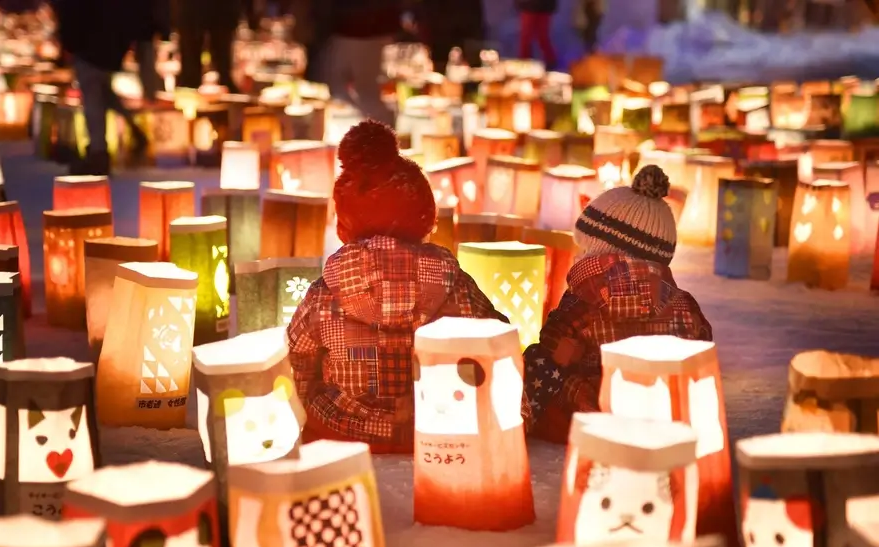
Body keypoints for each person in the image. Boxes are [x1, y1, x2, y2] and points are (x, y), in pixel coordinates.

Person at [287, 120, 511, 454]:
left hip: (343, 431)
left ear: (346, 224)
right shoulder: (455, 285)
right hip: (435, 428)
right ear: (424, 217)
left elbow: (297, 354)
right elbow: (496, 337)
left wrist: (303, 404)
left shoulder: (326, 293)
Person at [523, 165, 713, 443]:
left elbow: (555, 346)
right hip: (664, 415)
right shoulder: (683, 304)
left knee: (537, 361)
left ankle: (520, 424)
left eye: (585, 246)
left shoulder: (584, 299)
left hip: (596, 415)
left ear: (601, 247)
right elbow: (702, 351)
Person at [54, 0, 151, 175]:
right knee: (103, 93)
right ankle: (134, 129)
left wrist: (67, 43)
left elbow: (72, 12)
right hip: (108, 45)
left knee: (93, 100)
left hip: (89, 46)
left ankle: (99, 154)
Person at [316, 0, 400, 125]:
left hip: (364, 28)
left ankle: (381, 138)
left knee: (367, 96)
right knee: (340, 96)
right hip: (346, 27)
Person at [175, 0, 251, 92]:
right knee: (191, 74)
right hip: (198, 12)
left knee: (222, 70)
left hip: (213, 11)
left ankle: (227, 91)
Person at [516, 0, 557, 68]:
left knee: (537, 37)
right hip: (535, 6)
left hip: (538, 6)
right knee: (528, 37)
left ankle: (550, 60)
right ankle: (524, 62)